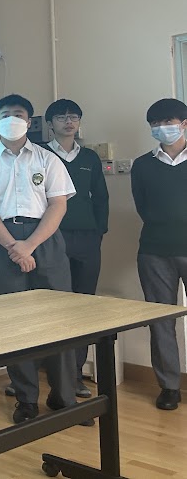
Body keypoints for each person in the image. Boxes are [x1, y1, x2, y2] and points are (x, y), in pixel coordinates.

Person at [0, 94, 90, 425]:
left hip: (44, 239)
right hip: (2, 241)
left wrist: (30, 245)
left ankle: (64, 397)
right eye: (5, 115)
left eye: (18, 114)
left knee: (58, 319)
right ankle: (26, 399)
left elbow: (58, 205)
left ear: (29, 121)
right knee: (13, 323)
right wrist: (14, 246)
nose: (12, 119)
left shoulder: (48, 159)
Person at [43, 99, 109, 398]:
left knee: (83, 306)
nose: (69, 122)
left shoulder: (90, 157)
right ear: (50, 123)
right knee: (52, 306)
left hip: (87, 238)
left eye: (74, 117)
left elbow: (101, 198)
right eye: (61, 117)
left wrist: (99, 231)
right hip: (51, 237)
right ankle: (50, 374)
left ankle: (75, 373)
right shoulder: (40, 153)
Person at [131, 98, 187, 411]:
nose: (161, 128)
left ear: (184, 124)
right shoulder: (142, 165)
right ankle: (169, 387)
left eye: (167, 121)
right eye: (155, 123)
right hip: (154, 251)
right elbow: (143, 206)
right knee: (160, 321)